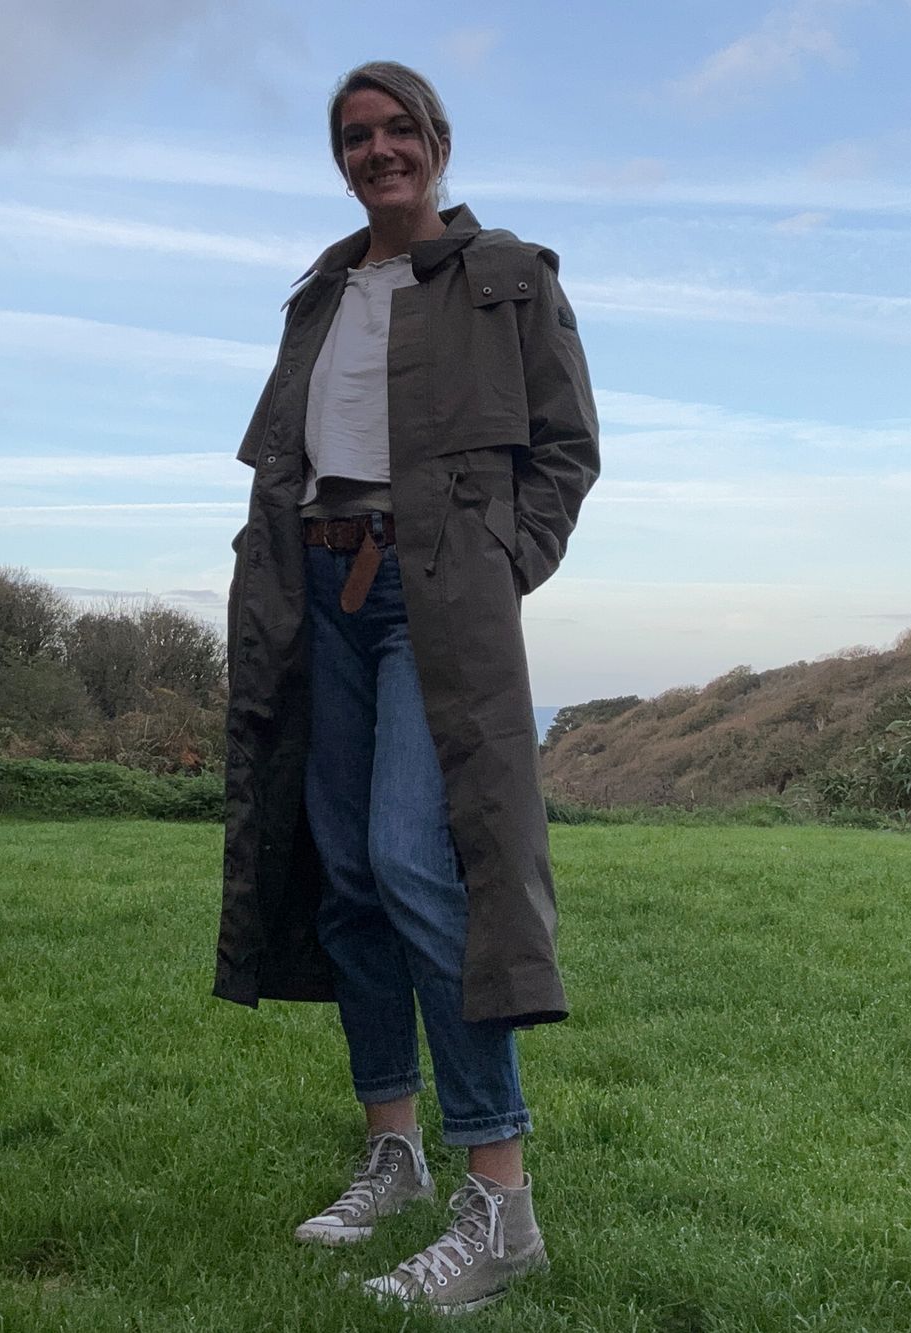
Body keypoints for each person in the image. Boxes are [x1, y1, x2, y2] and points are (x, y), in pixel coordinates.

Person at [212, 59, 600, 1313]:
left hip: (430, 595)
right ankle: (392, 1150)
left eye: (395, 130)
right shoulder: (321, 293)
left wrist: (497, 561)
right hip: (314, 589)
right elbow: (290, 458)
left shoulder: (508, 276)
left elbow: (567, 448)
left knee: (417, 859)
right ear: (340, 160)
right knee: (345, 874)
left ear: (436, 140)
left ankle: (500, 1200)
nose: (376, 151)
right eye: (354, 137)